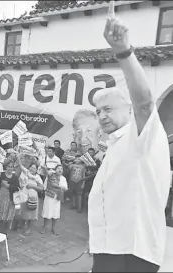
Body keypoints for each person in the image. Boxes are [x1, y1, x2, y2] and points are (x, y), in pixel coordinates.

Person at [88, 10, 171, 272]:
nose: (101, 116)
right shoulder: (115, 143)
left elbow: (145, 104)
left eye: (108, 109)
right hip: (109, 248)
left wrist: (123, 51)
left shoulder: (141, 135)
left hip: (131, 253)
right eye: (98, 112)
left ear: (128, 111)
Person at [0, 160, 20, 236]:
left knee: (8, 216)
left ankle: (5, 232)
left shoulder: (15, 177)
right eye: (8, 166)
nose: (10, 168)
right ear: (6, 167)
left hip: (10, 199)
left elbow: (17, 188)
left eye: (11, 167)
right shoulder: (1, 174)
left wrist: (8, 186)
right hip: (1, 197)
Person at [40, 165, 67, 235]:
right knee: (47, 211)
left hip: (57, 198)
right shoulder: (51, 175)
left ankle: (53, 227)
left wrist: (61, 188)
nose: (60, 170)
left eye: (61, 169)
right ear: (55, 169)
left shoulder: (63, 178)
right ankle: (44, 226)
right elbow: (46, 173)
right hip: (49, 196)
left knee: (56, 213)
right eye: (58, 168)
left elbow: (66, 188)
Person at [18, 163, 43, 236]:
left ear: (37, 170)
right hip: (24, 195)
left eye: (34, 168)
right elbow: (20, 166)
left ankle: (29, 228)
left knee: (31, 213)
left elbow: (41, 189)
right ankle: (22, 223)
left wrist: (32, 186)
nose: (32, 169)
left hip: (32, 197)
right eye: (31, 167)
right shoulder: (25, 173)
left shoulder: (38, 177)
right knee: (23, 210)